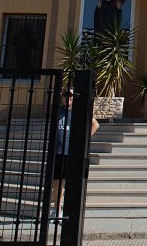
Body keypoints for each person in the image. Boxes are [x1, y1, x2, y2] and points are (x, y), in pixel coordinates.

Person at [52, 87, 100, 220]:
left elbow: (95, 124)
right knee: (57, 182)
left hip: (72, 152)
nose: (68, 99)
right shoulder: (58, 111)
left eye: (71, 96)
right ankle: (57, 210)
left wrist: (83, 140)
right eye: (66, 96)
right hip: (58, 151)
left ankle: (70, 212)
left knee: (71, 182)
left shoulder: (79, 111)